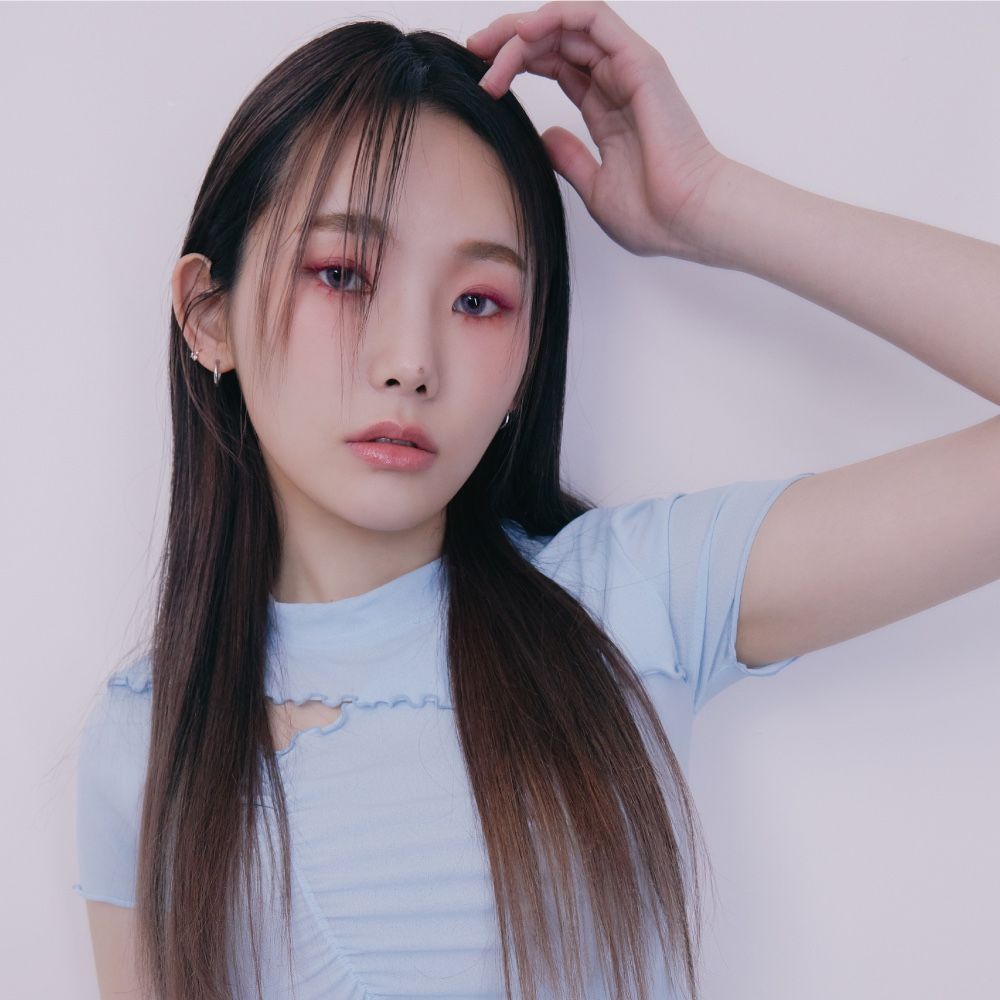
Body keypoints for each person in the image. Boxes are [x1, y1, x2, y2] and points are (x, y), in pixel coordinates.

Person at [72, 3, 1000, 999]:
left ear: (526, 362)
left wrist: (709, 203)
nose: (410, 362)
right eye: (343, 274)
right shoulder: (150, 733)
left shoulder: (628, 598)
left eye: (478, 301)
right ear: (207, 319)